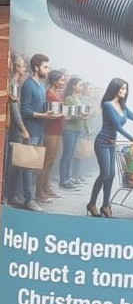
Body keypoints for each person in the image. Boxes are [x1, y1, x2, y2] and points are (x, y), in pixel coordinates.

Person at [86, 78, 133, 218]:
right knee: (104, 174)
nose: (124, 91)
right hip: (102, 142)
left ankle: (105, 206)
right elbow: (118, 126)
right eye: (122, 88)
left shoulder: (123, 106)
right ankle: (92, 204)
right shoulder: (107, 105)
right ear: (114, 89)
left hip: (112, 143)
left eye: (126, 89)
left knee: (111, 175)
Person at [20, 54, 61, 208]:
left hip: (40, 130)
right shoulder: (28, 84)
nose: (48, 70)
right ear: (36, 67)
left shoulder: (41, 85)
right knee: (28, 167)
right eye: (45, 67)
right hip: (30, 130)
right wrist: (45, 115)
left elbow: (41, 107)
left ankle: (31, 197)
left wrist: (53, 113)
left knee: (35, 166)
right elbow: (25, 110)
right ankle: (29, 200)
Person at [3, 53, 39, 211]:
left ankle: (12, 196)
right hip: (15, 129)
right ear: (15, 67)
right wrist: (23, 129)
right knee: (12, 165)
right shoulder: (13, 83)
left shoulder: (17, 82)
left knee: (16, 164)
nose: (25, 68)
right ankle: (7, 196)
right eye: (22, 65)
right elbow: (15, 110)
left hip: (16, 127)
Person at [40, 68, 67, 200]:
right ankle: (39, 191)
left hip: (58, 130)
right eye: (61, 80)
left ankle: (47, 187)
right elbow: (49, 113)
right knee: (46, 161)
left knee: (51, 161)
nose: (63, 82)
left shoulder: (56, 93)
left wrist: (63, 115)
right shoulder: (49, 94)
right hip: (50, 130)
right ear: (54, 81)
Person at [59, 76, 89, 188]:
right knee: (66, 155)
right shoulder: (69, 98)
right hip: (69, 129)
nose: (81, 87)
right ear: (73, 86)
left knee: (71, 155)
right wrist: (82, 116)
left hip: (77, 129)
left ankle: (68, 178)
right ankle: (63, 180)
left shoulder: (78, 98)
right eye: (80, 85)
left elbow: (80, 114)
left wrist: (86, 126)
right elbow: (70, 114)